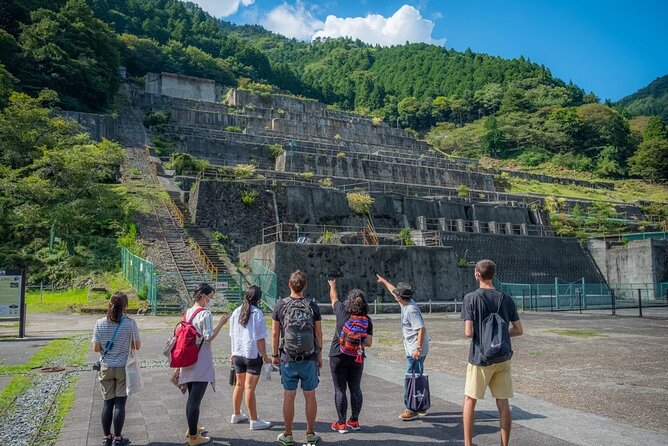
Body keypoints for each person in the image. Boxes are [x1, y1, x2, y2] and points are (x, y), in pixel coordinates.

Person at [461, 260, 523, 446]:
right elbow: (518, 330)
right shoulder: (506, 298)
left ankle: (467, 444)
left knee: (470, 400)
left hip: (480, 358)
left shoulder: (471, 298)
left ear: (477, 274)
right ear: (493, 274)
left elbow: (468, 332)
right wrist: (500, 335)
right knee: (503, 402)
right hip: (503, 356)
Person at [271, 270, 323, 446]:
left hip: (288, 357)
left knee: (288, 396)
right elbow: (318, 333)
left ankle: (288, 434)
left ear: (289, 285)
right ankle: (310, 434)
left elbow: (275, 333)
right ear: (305, 286)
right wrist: (320, 355)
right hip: (309, 357)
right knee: (310, 395)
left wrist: (275, 355)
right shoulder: (313, 306)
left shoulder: (280, 305)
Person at [178, 283, 230, 446]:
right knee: (195, 400)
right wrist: (221, 323)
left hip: (187, 359)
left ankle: (192, 428)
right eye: (211, 297)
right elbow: (208, 338)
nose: (211, 300)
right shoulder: (205, 314)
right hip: (200, 360)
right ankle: (193, 437)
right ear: (204, 296)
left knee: (192, 398)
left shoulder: (188, 312)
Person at [376, 274, 430, 421]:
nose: (395, 295)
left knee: (410, 378)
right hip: (415, 348)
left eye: (397, 295)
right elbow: (393, 289)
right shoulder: (406, 302)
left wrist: (417, 349)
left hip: (415, 350)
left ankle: (411, 408)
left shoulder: (411, 309)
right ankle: (421, 404)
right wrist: (384, 281)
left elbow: (421, 329)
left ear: (400, 297)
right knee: (416, 376)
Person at [92, 292, 140, 446]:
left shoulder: (99, 323)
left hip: (106, 367)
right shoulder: (130, 323)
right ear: (125, 306)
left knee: (107, 404)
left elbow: (95, 348)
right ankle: (118, 439)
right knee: (120, 404)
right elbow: (136, 345)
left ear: (109, 304)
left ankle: (107, 438)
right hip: (122, 368)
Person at [327, 279, 373, 433]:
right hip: (357, 357)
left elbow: (334, 298)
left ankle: (341, 424)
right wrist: (358, 338)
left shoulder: (341, 311)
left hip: (337, 355)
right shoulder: (367, 319)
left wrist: (333, 286)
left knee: (339, 389)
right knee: (355, 388)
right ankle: (354, 421)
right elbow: (368, 343)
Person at [229, 285, 272, 430]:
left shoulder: (236, 311)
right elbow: (260, 338)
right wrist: (265, 356)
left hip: (238, 353)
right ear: (258, 299)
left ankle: (236, 414)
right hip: (252, 354)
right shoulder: (257, 313)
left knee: (239, 385)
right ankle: (254, 420)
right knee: (249, 388)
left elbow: (232, 335)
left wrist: (232, 352)